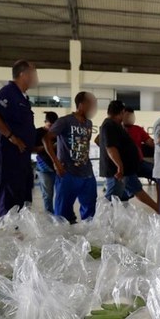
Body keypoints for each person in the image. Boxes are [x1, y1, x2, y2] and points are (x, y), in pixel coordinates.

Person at [0, 59, 39, 217]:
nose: (35, 76)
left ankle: (19, 233)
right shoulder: (10, 91)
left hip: (23, 156)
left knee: (23, 195)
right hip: (10, 154)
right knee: (11, 198)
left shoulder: (23, 97)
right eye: (33, 72)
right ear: (23, 74)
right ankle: (9, 235)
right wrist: (11, 137)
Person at [44, 92, 98, 224]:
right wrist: (56, 163)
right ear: (81, 105)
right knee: (63, 212)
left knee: (90, 209)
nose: (94, 108)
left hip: (87, 173)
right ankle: (63, 240)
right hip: (68, 173)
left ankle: (88, 237)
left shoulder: (89, 124)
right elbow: (46, 139)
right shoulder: (65, 121)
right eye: (92, 105)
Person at [99, 100, 159, 213]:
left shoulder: (116, 126)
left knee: (123, 194)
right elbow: (111, 148)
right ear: (122, 112)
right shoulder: (109, 125)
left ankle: (158, 209)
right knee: (113, 197)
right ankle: (101, 221)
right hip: (118, 170)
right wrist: (120, 166)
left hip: (127, 168)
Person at [33, 111, 59, 214]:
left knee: (61, 194)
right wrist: (48, 147)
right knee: (47, 195)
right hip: (44, 168)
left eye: (54, 126)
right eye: (49, 126)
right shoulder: (38, 132)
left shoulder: (58, 132)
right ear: (45, 122)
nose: (51, 128)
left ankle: (60, 215)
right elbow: (32, 148)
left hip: (58, 167)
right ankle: (49, 215)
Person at [122, 108, 155, 181]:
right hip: (124, 164)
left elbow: (151, 143)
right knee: (130, 185)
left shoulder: (138, 129)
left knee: (158, 174)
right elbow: (99, 141)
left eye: (132, 116)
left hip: (139, 163)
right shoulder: (116, 128)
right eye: (127, 116)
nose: (130, 118)